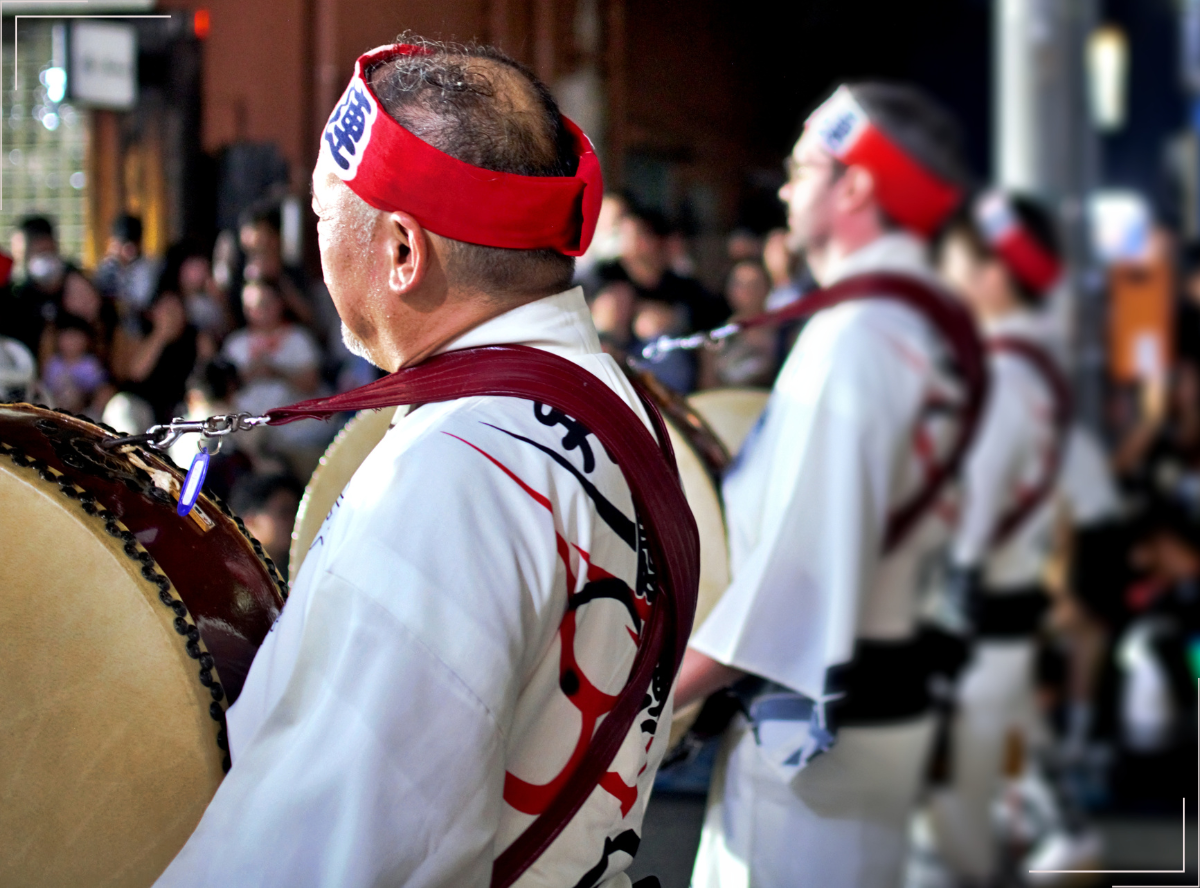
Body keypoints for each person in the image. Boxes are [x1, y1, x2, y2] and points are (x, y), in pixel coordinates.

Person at [155, 38, 679, 888]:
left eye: (323, 215)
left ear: (403, 252)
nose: (314, 246)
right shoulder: (620, 408)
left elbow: (334, 853)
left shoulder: (451, 476)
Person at [674, 82, 973, 888]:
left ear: (858, 185)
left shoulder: (856, 337)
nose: (784, 189)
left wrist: (647, 706)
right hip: (898, 722)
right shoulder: (919, 322)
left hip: (814, 762)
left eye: (802, 168)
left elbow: (793, 582)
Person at [927, 190, 1076, 884]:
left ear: (993, 275)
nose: (944, 275)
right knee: (1017, 787)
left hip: (976, 619)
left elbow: (974, 510)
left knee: (956, 818)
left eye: (955, 261)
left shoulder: (1000, 375)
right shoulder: (1037, 365)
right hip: (1011, 607)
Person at [94, 214, 161, 322]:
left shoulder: (149, 268)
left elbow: (144, 301)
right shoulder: (106, 268)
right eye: (124, 244)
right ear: (115, 243)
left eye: (134, 244)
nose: (130, 250)